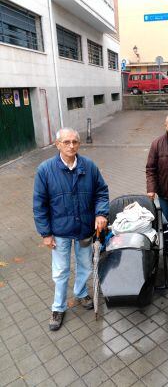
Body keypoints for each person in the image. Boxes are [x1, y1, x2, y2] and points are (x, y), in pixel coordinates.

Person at [33, 128, 109, 331]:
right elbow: (39, 204)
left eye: (75, 141)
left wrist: (101, 213)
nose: (71, 145)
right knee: (60, 271)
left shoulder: (89, 167)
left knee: (85, 264)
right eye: (66, 142)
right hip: (59, 231)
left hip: (84, 227)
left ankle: (81, 292)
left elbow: (101, 192)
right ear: (57, 144)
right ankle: (58, 307)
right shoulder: (45, 170)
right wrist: (45, 233)